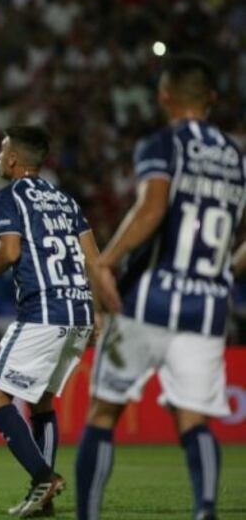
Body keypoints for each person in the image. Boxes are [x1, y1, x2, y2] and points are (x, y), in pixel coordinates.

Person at [80, 55, 245, 520]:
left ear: (164, 97)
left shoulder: (163, 143)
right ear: (211, 99)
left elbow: (152, 208)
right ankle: (206, 510)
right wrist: (225, 270)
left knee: (104, 412)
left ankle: (87, 516)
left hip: (148, 303)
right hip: (208, 309)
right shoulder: (237, 157)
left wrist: (104, 262)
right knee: (194, 420)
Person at [0, 126, 100, 518]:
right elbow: (95, 258)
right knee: (40, 402)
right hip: (79, 313)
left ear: (13, 160)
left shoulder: (9, 197)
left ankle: (44, 477)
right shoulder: (67, 201)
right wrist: (100, 312)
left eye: (2, 149)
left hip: (44, 309)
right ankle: (44, 499)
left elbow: (9, 252)